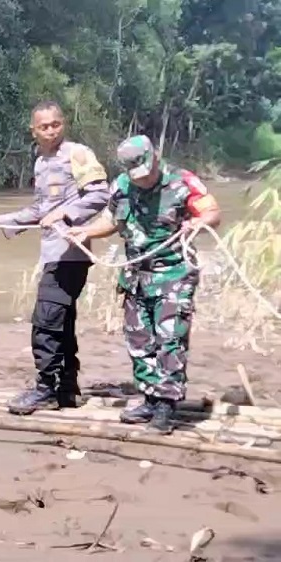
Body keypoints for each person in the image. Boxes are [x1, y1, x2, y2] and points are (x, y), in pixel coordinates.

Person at [66, 135, 221, 434]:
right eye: (136, 173)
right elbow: (111, 220)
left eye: (147, 171)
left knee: (170, 339)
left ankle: (166, 404)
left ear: (155, 156)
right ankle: (149, 398)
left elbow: (212, 211)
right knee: (139, 341)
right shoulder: (121, 186)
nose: (143, 178)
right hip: (136, 275)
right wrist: (85, 232)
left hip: (173, 273)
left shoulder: (182, 181)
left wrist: (200, 222)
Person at [0, 100, 111, 415]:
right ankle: (67, 390)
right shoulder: (41, 162)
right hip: (52, 252)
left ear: (64, 124)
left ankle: (46, 388)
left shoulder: (78, 154)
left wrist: (65, 212)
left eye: (56, 124)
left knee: (46, 321)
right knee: (61, 321)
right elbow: (38, 211)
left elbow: (101, 195)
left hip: (72, 252)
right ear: (32, 130)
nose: (50, 131)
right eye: (43, 126)